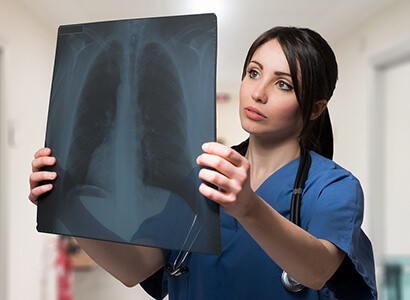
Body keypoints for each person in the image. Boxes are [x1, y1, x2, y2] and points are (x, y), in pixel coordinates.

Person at [29, 26, 377, 299]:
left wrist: (249, 207)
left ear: (315, 108)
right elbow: (135, 269)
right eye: (253, 73)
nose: (258, 93)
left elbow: (318, 271)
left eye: (283, 84)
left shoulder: (333, 187)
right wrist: (65, 206)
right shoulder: (199, 177)